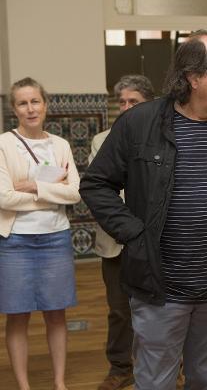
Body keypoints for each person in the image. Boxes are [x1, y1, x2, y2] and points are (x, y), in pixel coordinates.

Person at [80, 30, 207, 390]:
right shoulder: (139, 123)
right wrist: (134, 233)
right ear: (192, 76)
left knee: (206, 380)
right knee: (155, 382)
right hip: (160, 291)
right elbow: (95, 184)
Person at [0, 77, 81, 390]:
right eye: (23, 103)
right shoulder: (4, 144)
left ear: (46, 105)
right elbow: (4, 197)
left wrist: (34, 186)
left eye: (35, 101)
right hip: (15, 242)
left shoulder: (60, 144)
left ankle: (59, 383)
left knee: (56, 314)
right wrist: (52, 191)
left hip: (55, 239)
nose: (30, 108)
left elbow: (75, 193)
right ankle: (24, 386)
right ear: (14, 109)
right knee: (17, 316)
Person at [89, 75, 154, 390]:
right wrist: (126, 227)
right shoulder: (101, 141)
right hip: (115, 242)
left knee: (162, 309)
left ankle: (171, 365)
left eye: (134, 102)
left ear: (149, 105)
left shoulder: (160, 137)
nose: (127, 108)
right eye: (123, 102)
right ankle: (120, 368)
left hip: (154, 242)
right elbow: (99, 191)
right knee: (119, 310)